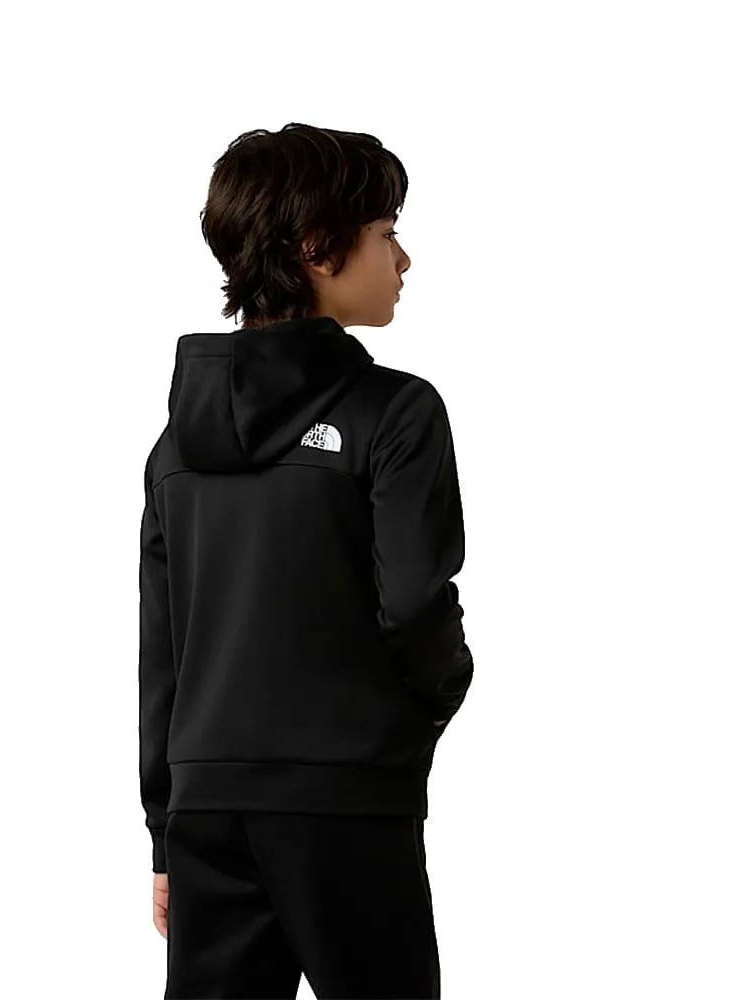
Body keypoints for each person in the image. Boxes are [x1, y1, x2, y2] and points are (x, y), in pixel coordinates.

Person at [138, 122, 475, 999]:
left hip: (207, 806)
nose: (403, 259)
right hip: (346, 795)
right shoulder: (395, 413)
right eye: (387, 233)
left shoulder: (175, 446)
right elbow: (415, 602)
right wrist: (427, 705)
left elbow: (163, 653)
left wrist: (166, 831)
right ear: (320, 249)